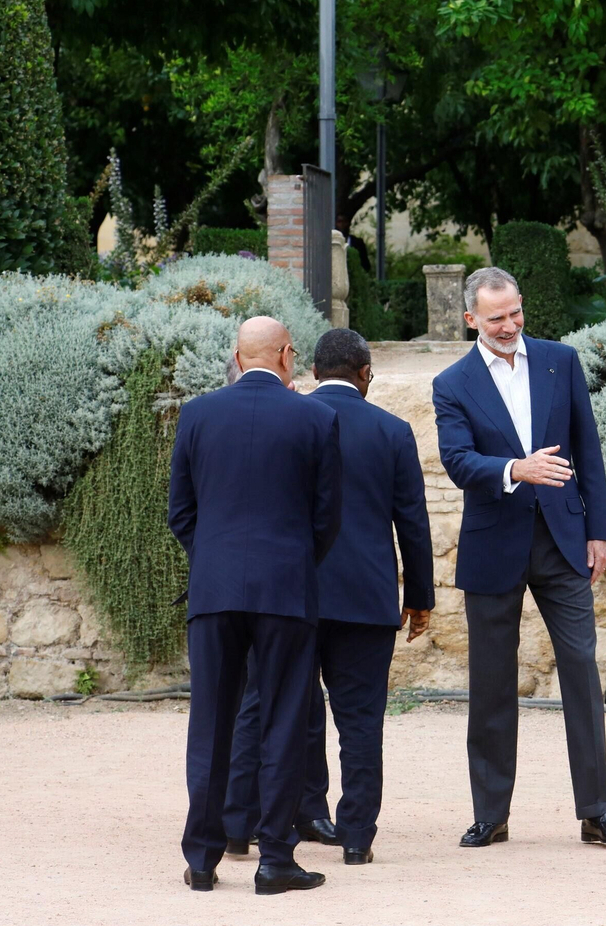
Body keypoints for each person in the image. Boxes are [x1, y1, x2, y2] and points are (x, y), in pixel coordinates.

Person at [431, 266, 606, 849]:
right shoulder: (451, 383)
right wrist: (514, 470)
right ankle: (490, 813)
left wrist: (599, 531)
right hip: (494, 544)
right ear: (471, 318)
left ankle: (597, 812)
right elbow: (457, 461)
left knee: (581, 671)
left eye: (516, 313)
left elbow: (586, 448)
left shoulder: (559, 360)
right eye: (497, 317)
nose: (510, 325)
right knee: (492, 682)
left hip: (564, 540)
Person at [223, 328, 436, 867]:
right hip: (366, 598)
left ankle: (239, 822)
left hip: (292, 593)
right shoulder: (393, 431)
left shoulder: (291, 419)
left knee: (263, 708)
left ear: (314, 372)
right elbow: (411, 522)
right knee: (361, 720)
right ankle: (358, 835)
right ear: (366, 373)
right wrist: (420, 596)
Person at [168, 316, 342, 895]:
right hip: (287, 589)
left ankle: (201, 859)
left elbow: (182, 513)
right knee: (285, 720)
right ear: (288, 355)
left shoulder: (196, 415)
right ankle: (274, 859)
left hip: (215, 592)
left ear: (238, 358)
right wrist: (290, 561)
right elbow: (326, 518)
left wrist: (216, 560)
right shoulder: (317, 417)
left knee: (211, 722)